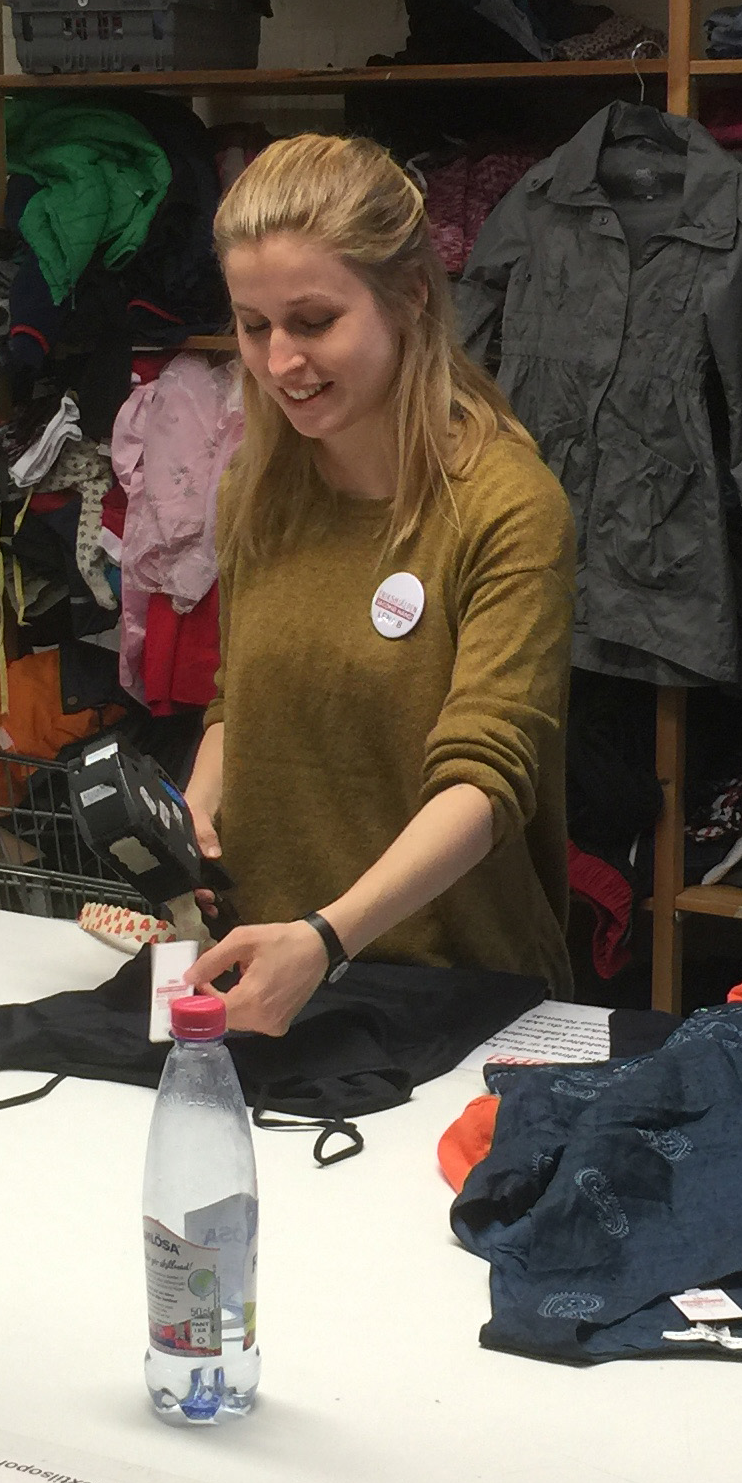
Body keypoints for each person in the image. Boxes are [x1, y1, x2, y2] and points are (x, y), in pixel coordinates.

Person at [179, 134, 575, 1035]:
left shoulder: (506, 506)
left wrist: (327, 938)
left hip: (460, 995)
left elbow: (487, 778)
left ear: (410, 297)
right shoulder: (258, 491)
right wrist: (197, 811)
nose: (280, 361)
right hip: (271, 990)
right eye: (253, 325)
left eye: (314, 322)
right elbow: (235, 705)